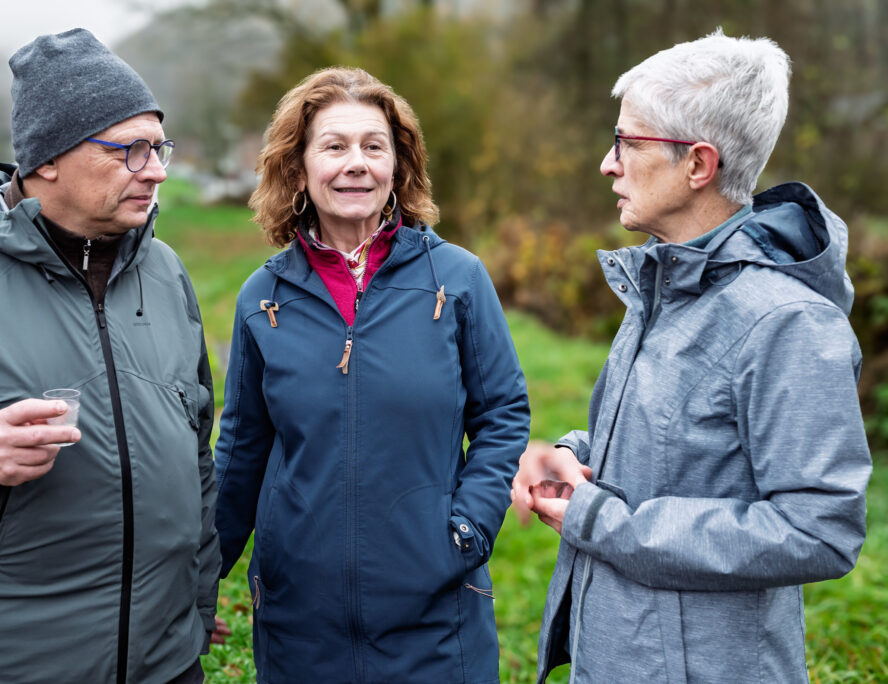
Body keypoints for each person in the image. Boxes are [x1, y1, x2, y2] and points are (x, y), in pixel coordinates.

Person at [0, 28, 227, 684]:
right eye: (131, 150)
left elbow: (195, 450)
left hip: (168, 664)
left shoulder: (166, 271)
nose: (156, 170)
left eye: (159, 147)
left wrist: (198, 606)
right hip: (9, 665)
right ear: (49, 158)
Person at [511, 30, 872, 683]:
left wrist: (600, 519)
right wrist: (575, 456)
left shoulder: (788, 323)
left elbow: (819, 529)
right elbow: (683, 450)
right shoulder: (666, 288)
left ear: (698, 165)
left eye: (627, 142)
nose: (608, 164)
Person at [213, 66, 530, 683]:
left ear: (397, 167)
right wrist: (201, 581)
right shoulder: (263, 298)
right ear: (298, 169)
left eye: (374, 147)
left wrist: (468, 529)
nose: (355, 164)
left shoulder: (458, 280)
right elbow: (242, 447)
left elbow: (502, 415)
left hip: (436, 620)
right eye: (334, 146)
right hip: (300, 624)